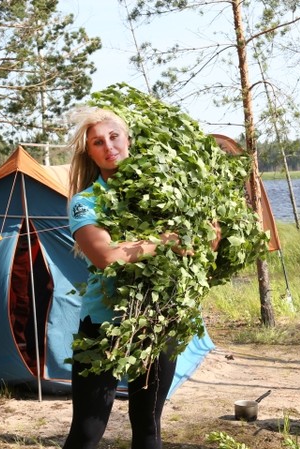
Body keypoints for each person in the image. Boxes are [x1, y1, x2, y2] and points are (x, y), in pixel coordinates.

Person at [63, 107, 194, 449]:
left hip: (159, 319)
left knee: (148, 426)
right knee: (87, 431)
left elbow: (197, 246)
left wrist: (204, 228)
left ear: (128, 140)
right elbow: (106, 257)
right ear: (89, 152)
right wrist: (165, 241)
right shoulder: (85, 203)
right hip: (103, 327)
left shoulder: (164, 193)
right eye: (97, 142)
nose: (108, 146)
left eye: (114, 136)